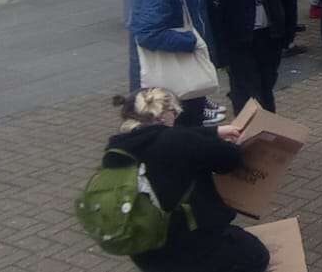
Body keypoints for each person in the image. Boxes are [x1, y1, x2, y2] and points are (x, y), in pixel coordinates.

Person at [105, 88, 264, 272]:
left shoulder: (116, 148)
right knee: (256, 255)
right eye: (174, 112)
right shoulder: (177, 140)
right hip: (189, 247)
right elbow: (229, 160)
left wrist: (215, 131)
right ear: (164, 115)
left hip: (146, 252)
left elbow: (176, 138)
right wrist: (227, 143)